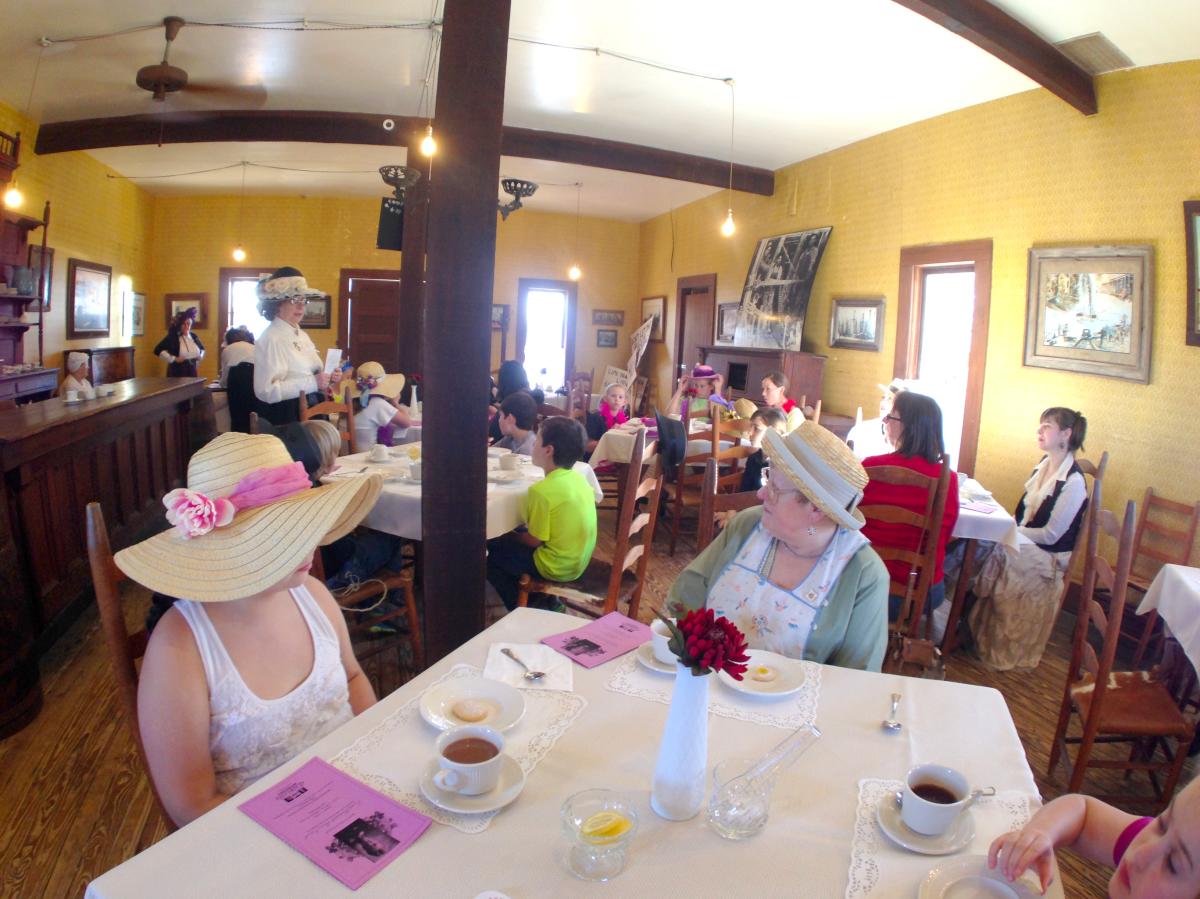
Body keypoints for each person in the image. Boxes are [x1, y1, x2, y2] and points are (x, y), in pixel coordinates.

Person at [115, 432, 382, 826]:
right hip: (259, 833)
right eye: (282, 535)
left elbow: (353, 677)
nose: (309, 544)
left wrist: (375, 746)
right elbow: (192, 805)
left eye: (304, 525)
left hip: (358, 793)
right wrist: (314, 817)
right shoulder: (180, 648)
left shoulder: (313, 595)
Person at [666, 421, 889, 671]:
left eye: (774, 489)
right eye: (767, 479)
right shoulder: (748, 525)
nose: (761, 495)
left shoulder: (863, 574)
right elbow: (685, 597)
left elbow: (857, 678)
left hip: (793, 707)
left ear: (815, 508)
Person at [952, 407, 1089, 670]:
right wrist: (1008, 528)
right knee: (978, 541)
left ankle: (958, 612)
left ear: (1066, 434)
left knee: (993, 548)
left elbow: (1051, 535)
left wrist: (1009, 530)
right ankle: (961, 617)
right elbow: (1022, 514)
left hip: (1050, 556)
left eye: (1047, 426)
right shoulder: (1043, 465)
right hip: (1028, 541)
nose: (1039, 431)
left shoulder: (1073, 483)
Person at [987, 778, 1200, 898]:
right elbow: (1083, 810)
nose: (1139, 852)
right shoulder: (1151, 844)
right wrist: (1041, 832)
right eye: (1162, 823)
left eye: (1173, 864)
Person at [860, 391, 959, 622]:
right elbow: (944, 536)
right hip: (918, 594)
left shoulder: (870, 467)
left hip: (864, 588)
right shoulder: (947, 479)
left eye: (890, 417)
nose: (884, 422)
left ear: (909, 426)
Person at [486, 416, 597, 611]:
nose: (533, 444)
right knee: (509, 541)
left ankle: (530, 609)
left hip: (555, 567)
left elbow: (534, 541)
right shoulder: (580, 479)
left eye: (537, 440)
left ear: (548, 450)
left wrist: (507, 534)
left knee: (490, 557)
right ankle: (545, 599)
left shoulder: (542, 491)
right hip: (579, 561)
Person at [252, 266, 342, 425]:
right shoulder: (271, 338)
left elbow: (311, 375)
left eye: (303, 300)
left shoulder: (302, 335)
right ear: (277, 304)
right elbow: (266, 391)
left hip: (313, 411)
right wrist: (314, 382)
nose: (301, 307)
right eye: (294, 300)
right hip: (288, 419)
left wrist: (328, 377)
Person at [350, 362, 411, 451]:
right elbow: (407, 422)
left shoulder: (349, 402)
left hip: (345, 458)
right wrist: (395, 403)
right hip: (365, 458)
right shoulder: (377, 403)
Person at [847, 379, 906, 460]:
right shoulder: (861, 429)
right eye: (883, 397)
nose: (884, 403)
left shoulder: (907, 435)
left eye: (890, 399)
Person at [739, 406, 789, 492]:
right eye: (750, 427)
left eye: (756, 428)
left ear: (775, 433)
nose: (750, 433)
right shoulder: (754, 457)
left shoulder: (784, 466)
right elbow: (743, 492)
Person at [154, 306, 205, 377]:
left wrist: (201, 356)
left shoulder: (193, 336)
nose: (187, 326)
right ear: (179, 324)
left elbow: (202, 349)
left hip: (192, 371)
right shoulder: (173, 337)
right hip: (176, 372)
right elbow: (157, 350)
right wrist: (174, 359)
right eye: (184, 324)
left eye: (188, 324)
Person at [584, 382, 630, 454]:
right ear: (605, 398)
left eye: (620, 397)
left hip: (614, 456)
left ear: (624, 402)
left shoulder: (622, 420)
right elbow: (587, 447)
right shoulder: (595, 417)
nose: (617, 399)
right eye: (613, 396)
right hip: (595, 458)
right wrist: (609, 434)